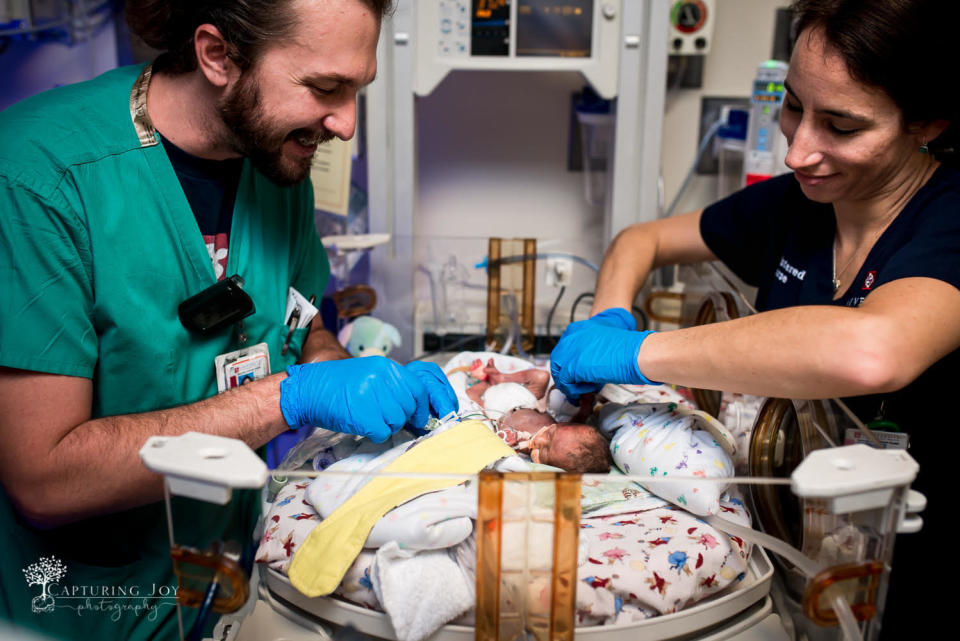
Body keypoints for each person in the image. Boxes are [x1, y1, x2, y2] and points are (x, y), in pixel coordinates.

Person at [0, 1, 459, 639]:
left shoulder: (274, 159)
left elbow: (296, 320)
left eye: (357, 90)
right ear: (218, 56)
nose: (346, 124)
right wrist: (290, 397)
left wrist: (346, 378)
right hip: (84, 605)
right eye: (325, 88)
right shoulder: (37, 178)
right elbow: (43, 478)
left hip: (226, 582)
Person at [550, 0, 958, 634]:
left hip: (888, 575)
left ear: (928, 123)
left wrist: (639, 354)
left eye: (842, 127)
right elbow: (642, 240)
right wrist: (608, 318)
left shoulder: (948, 220)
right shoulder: (801, 205)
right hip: (787, 548)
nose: (798, 151)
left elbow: (875, 351)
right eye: (794, 105)